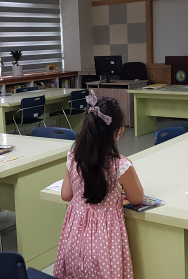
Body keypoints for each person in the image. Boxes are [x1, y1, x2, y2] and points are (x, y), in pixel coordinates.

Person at [54, 91, 144, 279]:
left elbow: (65, 194)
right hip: (105, 239)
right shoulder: (121, 165)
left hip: (75, 237)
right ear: (119, 132)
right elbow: (136, 198)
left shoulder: (73, 157)